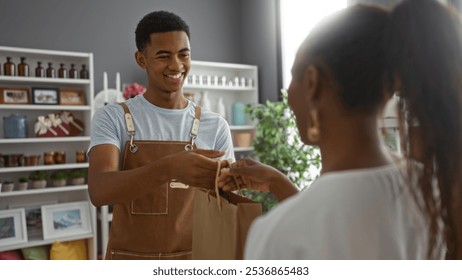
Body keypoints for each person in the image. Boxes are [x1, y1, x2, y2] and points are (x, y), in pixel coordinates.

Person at [219, 0, 462, 259]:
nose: (288, 93)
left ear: (312, 82)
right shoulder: (433, 191)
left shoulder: (276, 234)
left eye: (293, 76)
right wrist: (277, 182)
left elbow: (326, 220)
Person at [87, 10, 234, 260]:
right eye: (163, 56)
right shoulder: (112, 117)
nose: (176, 66)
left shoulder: (215, 125)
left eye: (183, 55)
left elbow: (228, 202)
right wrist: (169, 168)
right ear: (141, 59)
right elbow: (99, 191)